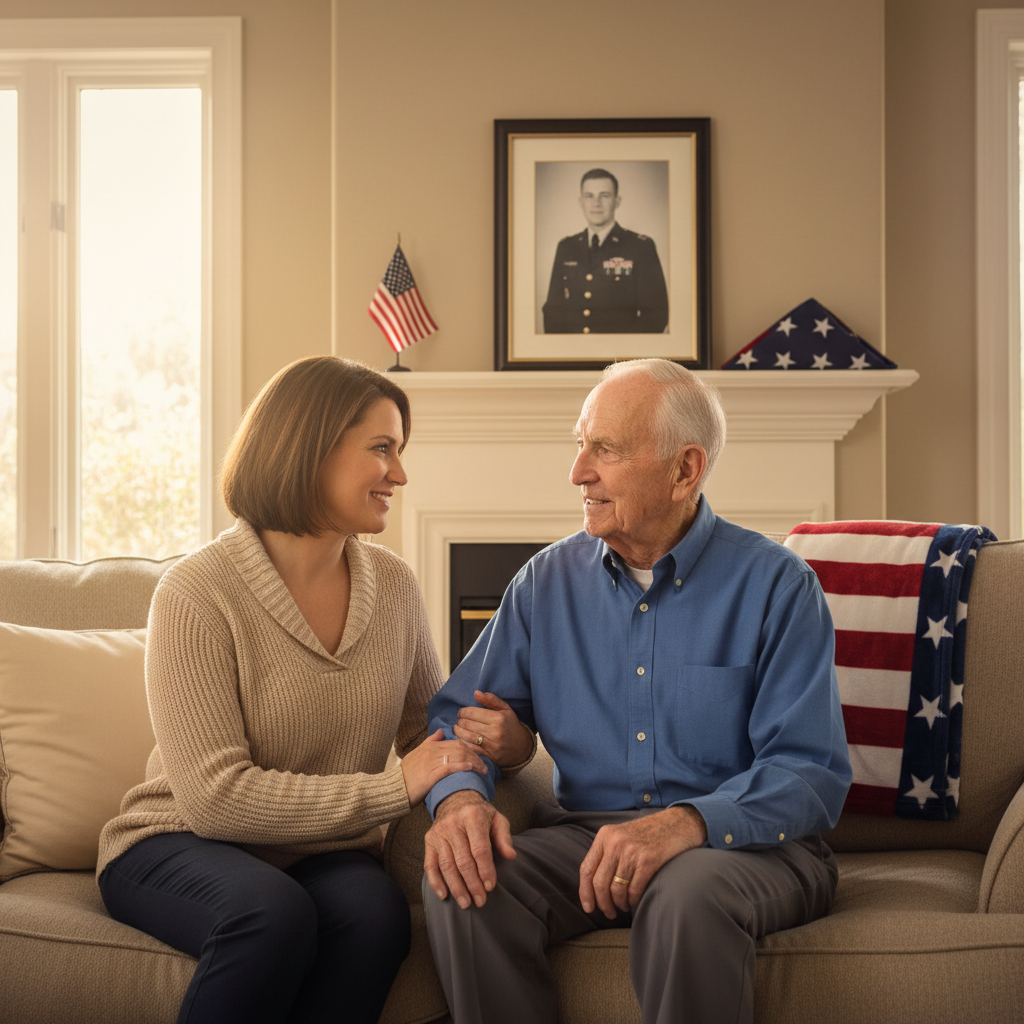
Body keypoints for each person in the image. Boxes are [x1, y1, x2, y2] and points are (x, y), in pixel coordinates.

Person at [95, 356, 531, 1024]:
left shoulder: (394, 586)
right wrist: (392, 789)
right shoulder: (196, 593)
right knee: (270, 913)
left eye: (400, 451)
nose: (400, 474)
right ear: (311, 449)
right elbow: (213, 799)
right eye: (381, 449)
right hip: (177, 841)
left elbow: (428, 734)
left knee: (375, 915)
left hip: (323, 852)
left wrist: (511, 746)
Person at [420, 358, 852, 1024]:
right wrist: (459, 804)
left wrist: (684, 823)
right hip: (588, 839)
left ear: (685, 470)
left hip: (744, 848)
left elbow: (809, 772)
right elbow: (459, 720)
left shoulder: (778, 586)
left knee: (686, 895)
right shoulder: (543, 584)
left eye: (606, 450)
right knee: (465, 882)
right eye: (580, 445)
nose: (578, 472)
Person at [542, 168, 669, 334]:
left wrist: (622, 349)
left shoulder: (640, 247)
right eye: (589, 196)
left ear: (617, 201)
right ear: (581, 202)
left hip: (621, 350)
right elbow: (553, 310)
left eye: (604, 196)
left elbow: (656, 315)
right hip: (572, 348)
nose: (596, 203)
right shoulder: (566, 247)